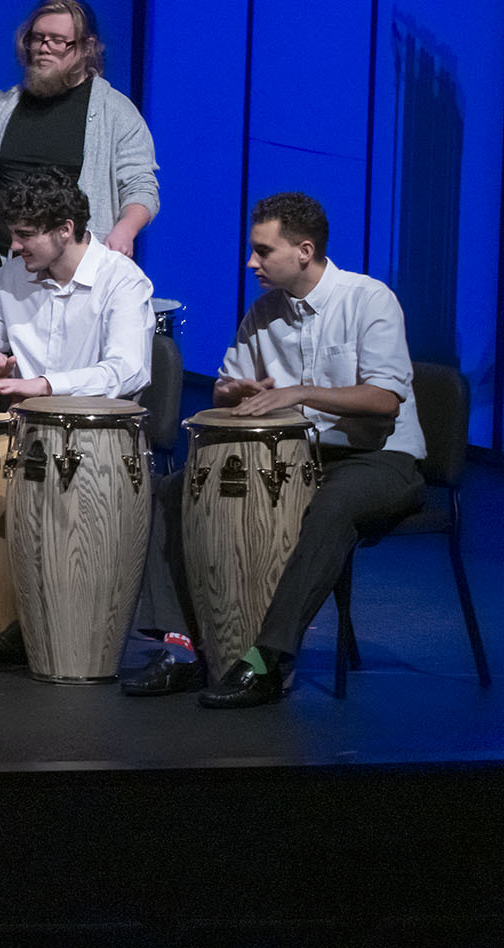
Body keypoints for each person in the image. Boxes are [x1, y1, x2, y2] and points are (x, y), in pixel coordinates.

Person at [121, 192, 426, 707]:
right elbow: (224, 386)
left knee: (331, 508)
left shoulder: (369, 300)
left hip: (379, 459)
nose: (251, 262)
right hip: (293, 461)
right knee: (171, 491)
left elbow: (383, 399)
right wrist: (240, 392)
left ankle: (265, 660)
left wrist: (299, 393)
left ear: (304, 251)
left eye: (263, 251)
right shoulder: (263, 312)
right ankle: (180, 647)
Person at [0, 166, 155, 663]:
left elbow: (128, 370)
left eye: (25, 236)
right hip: (14, 425)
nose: (15, 247)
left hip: (86, 436)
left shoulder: (121, 282)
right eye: (13, 236)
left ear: (64, 229)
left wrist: (45, 385)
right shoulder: (11, 275)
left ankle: (34, 617)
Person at [0, 0, 160, 256]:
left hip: (74, 275)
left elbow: (140, 187)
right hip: (4, 267)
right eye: (38, 38)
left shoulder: (115, 112)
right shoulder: (0, 107)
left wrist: (125, 228)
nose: (44, 47)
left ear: (87, 47)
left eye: (58, 41)